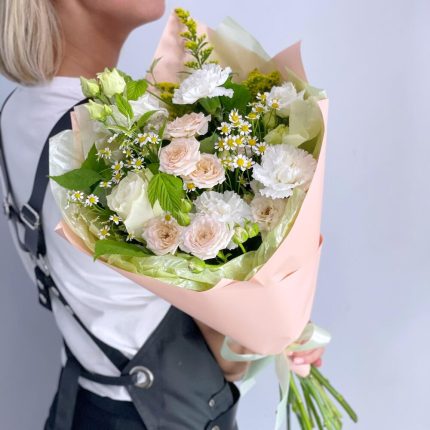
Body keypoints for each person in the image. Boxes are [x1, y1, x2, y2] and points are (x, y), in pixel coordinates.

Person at [0, 1, 325, 429]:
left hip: (80, 407)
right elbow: (228, 356)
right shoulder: (109, 138)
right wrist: (275, 330)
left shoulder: (21, 107)